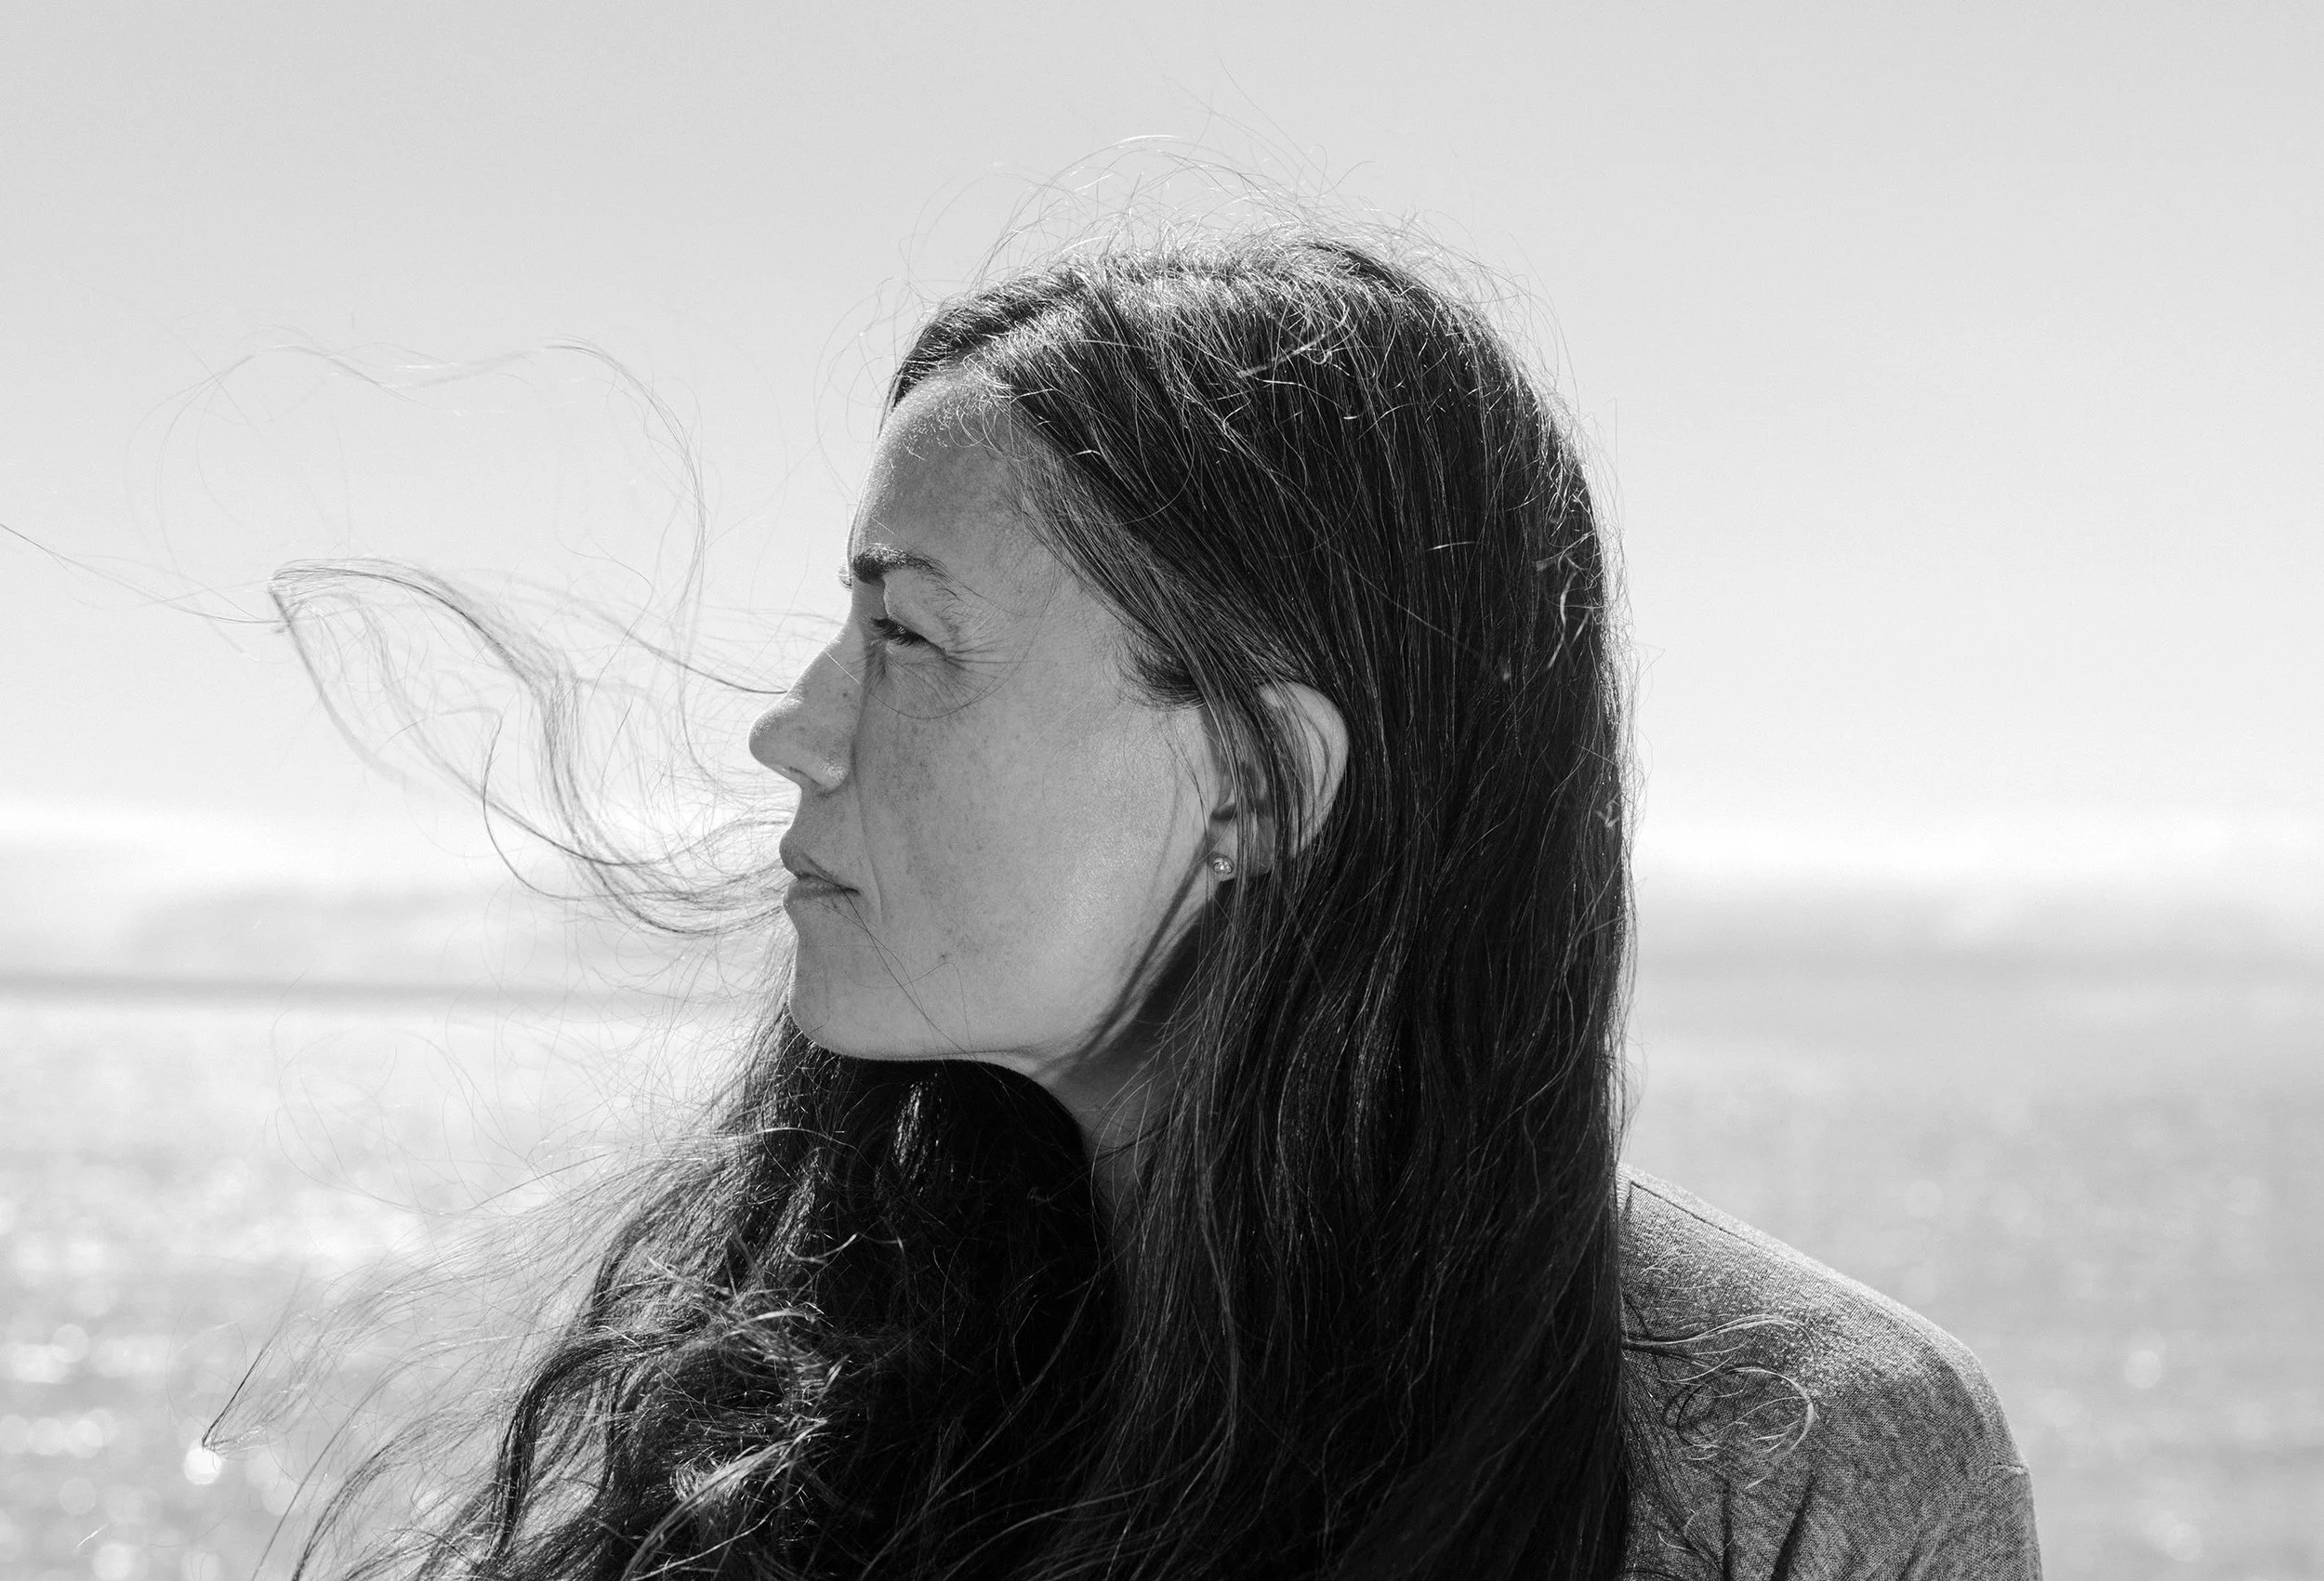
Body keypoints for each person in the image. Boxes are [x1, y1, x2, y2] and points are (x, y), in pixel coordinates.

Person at [325, 223, 2041, 1580]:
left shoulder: (1796, 1462)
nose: (796, 729)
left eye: (906, 635)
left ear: (1253, 786)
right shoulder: (815, 1367)